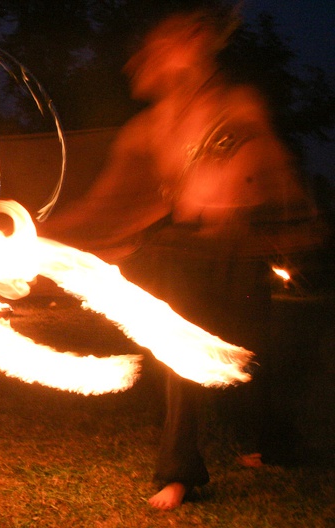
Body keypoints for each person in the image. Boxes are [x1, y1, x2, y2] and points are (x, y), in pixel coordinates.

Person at [43, 11, 323, 510]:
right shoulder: (148, 128)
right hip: (186, 251)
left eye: (173, 41)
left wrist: (296, 216)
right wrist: (40, 234)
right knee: (178, 354)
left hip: (241, 250)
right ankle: (180, 472)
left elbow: (271, 167)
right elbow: (108, 201)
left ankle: (275, 443)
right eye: (159, 44)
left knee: (252, 352)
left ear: (200, 44)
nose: (148, 61)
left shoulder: (235, 104)